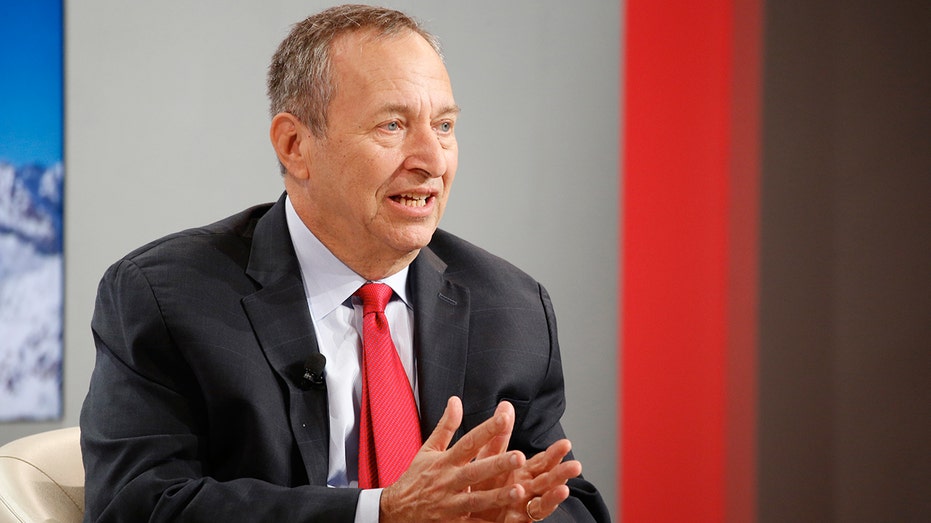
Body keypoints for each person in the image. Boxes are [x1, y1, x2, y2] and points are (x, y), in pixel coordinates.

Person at [80, 4, 610, 522]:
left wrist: (516, 512)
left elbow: (570, 500)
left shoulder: (512, 308)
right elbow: (138, 505)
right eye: (393, 125)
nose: (431, 159)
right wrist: (381, 514)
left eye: (444, 126)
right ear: (295, 146)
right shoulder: (166, 299)